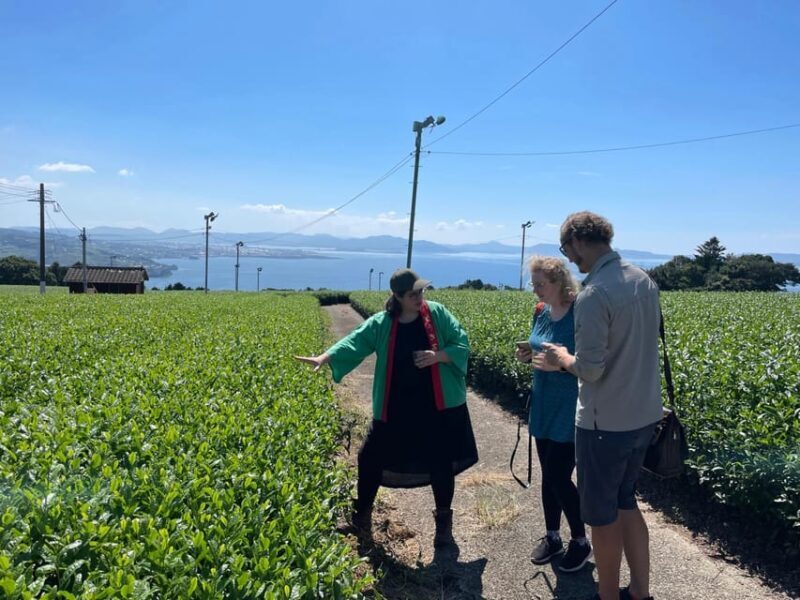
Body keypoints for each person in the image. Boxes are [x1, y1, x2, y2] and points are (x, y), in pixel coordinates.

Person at [295, 268, 478, 548]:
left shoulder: (437, 314)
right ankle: (362, 518)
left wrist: (437, 356)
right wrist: (326, 357)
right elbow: (356, 340)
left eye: (421, 292)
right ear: (398, 296)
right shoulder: (383, 322)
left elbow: (461, 342)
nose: (419, 298)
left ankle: (443, 525)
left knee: (441, 462)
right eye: (412, 294)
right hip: (396, 406)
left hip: (437, 405)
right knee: (369, 457)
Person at [542, 211, 663, 600]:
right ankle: (640, 592)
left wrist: (563, 357)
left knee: (601, 516)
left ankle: (607, 595)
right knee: (627, 501)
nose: (570, 259)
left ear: (578, 241)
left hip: (603, 424)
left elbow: (590, 370)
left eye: (567, 249)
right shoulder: (643, 280)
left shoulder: (595, 293)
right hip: (644, 416)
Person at [515, 256, 592, 573]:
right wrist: (528, 354)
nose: (535, 290)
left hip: (571, 405)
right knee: (549, 474)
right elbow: (540, 348)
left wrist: (558, 364)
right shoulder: (540, 310)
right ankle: (552, 536)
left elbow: (591, 363)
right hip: (544, 402)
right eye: (533, 284)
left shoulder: (580, 311)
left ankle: (581, 541)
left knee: (559, 475)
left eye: (540, 285)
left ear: (560, 281)